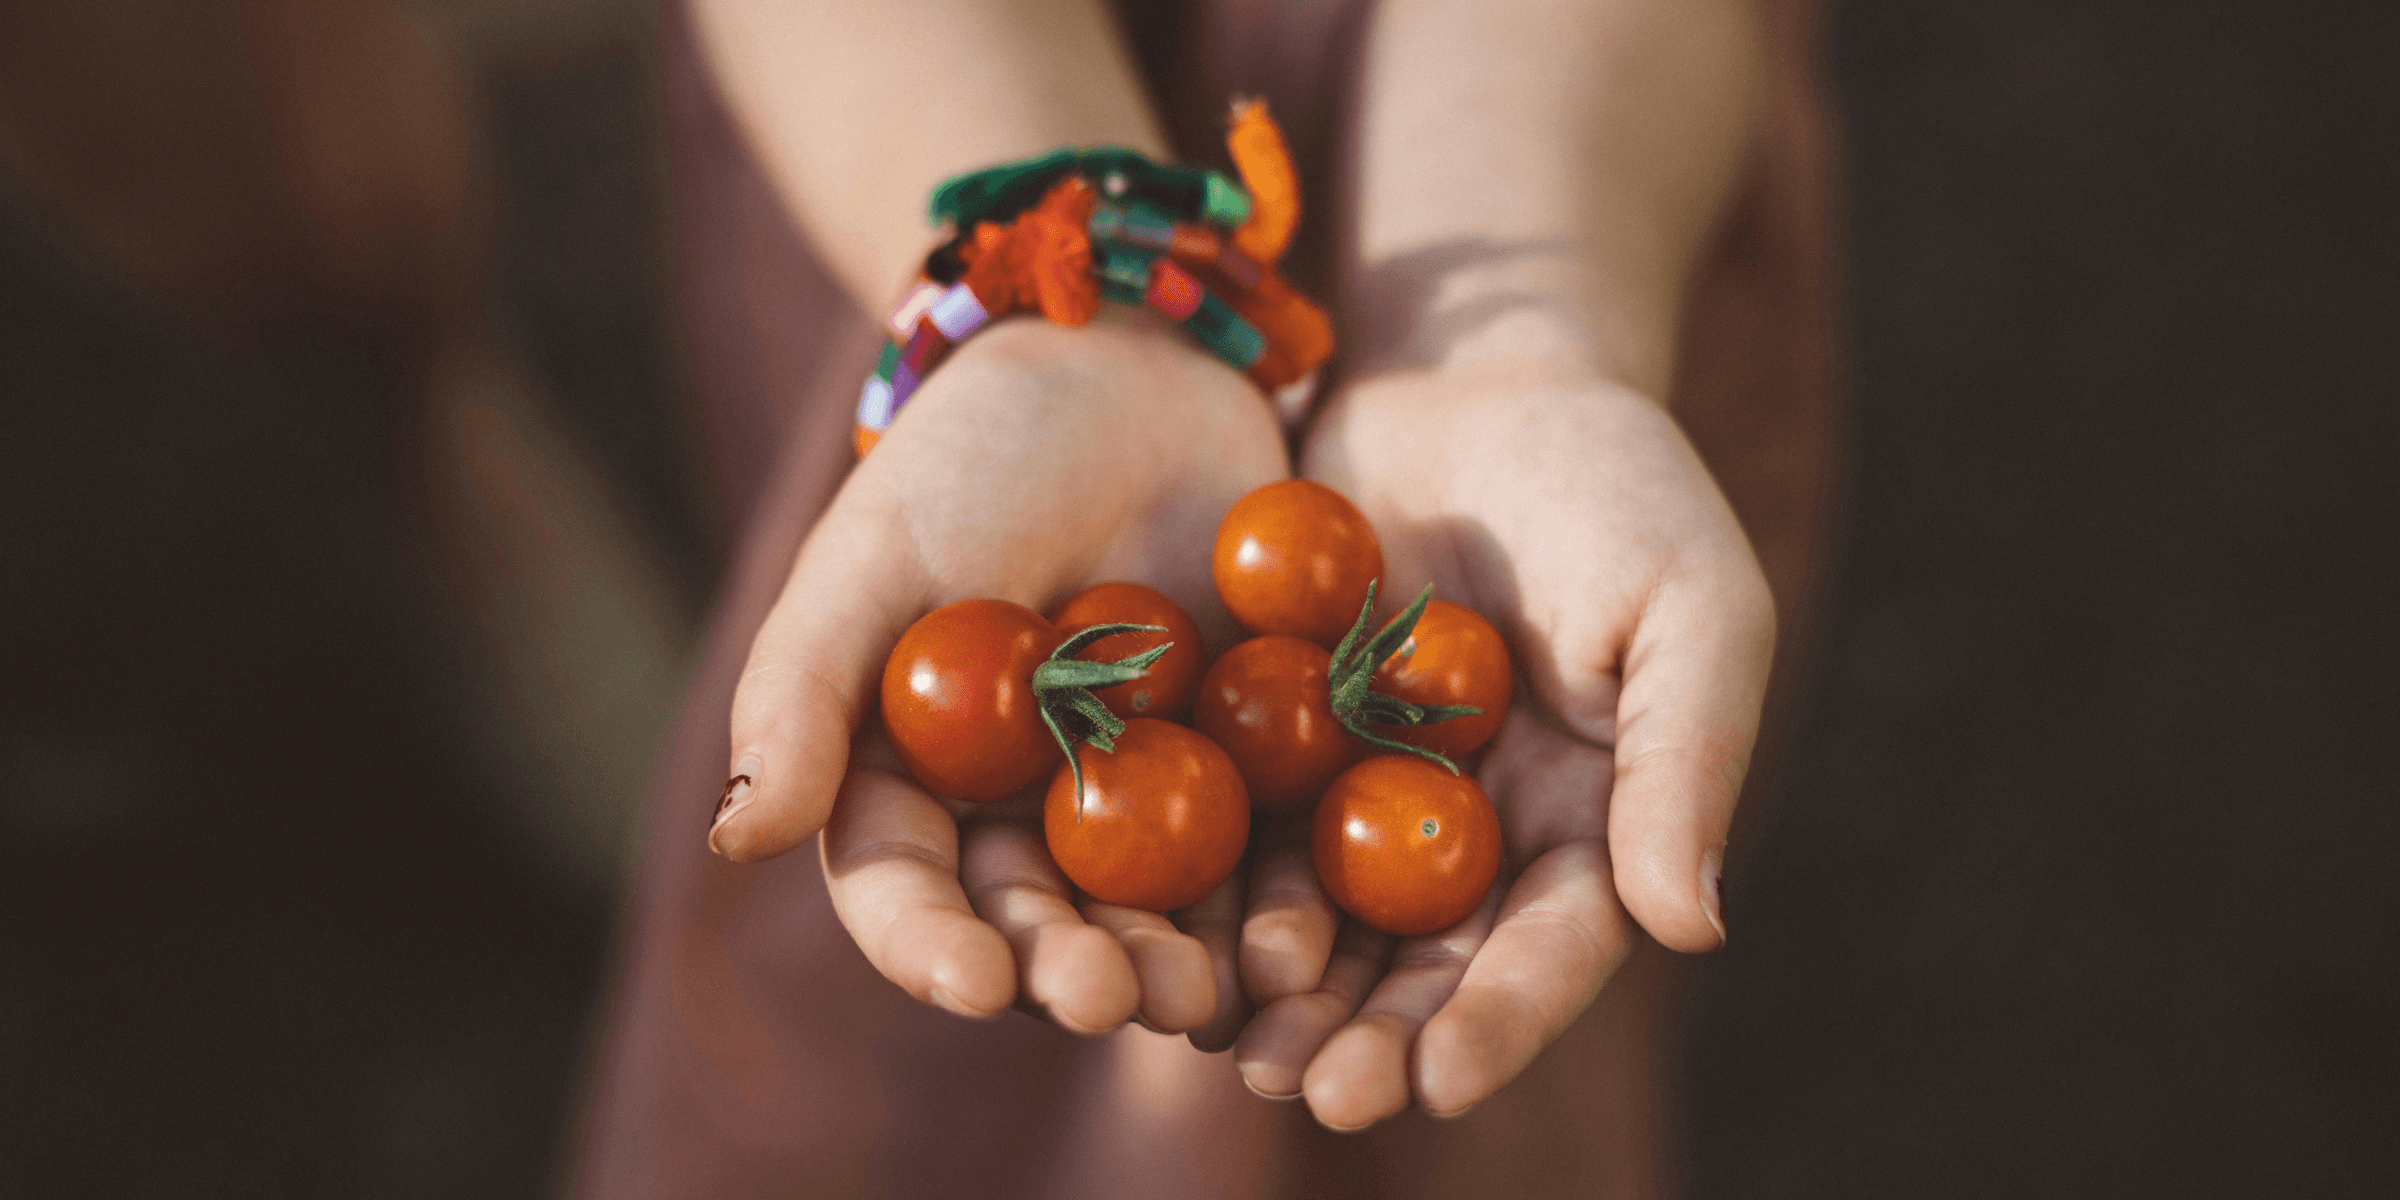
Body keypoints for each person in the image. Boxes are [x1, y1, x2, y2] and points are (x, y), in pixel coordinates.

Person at [578, 0, 1830, 1194]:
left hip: (1558, 139)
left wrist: (1528, 339)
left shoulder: (1249, 683)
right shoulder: (1165, 678)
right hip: (906, 107)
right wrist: (1062, 308)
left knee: (1464, 1060)